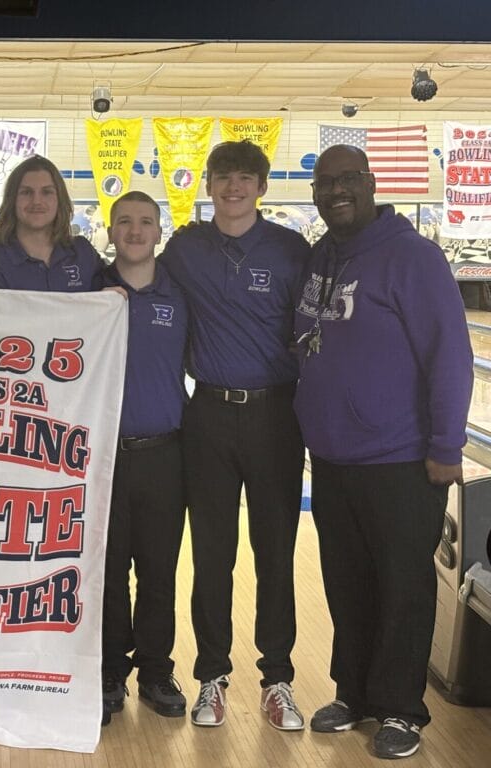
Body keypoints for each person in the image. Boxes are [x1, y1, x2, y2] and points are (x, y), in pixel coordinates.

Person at [294, 144, 473, 760]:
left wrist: (447, 446)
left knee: (401, 586)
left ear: (371, 184)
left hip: (400, 458)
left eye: (348, 181)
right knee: (347, 583)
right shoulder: (322, 256)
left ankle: (400, 708)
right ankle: (356, 693)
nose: (336, 191)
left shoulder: (412, 258)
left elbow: (449, 353)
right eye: (325, 183)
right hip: (336, 460)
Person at [157, 140, 309, 730]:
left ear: (262, 188)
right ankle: (212, 678)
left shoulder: (291, 250)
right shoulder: (186, 248)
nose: (233, 187)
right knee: (212, 555)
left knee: (274, 555)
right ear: (209, 184)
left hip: (277, 416)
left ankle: (277, 680)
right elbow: (142, 288)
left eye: (246, 178)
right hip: (209, 416)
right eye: (223, 177)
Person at [98, 192, 188, 726]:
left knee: (159, 570)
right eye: (125, 222)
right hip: (102, 460)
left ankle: (155, 670)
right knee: (108, 571)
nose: (135, 231)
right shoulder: (90, 293)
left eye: (145, 222)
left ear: (160, 232)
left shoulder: (178, 297)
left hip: (164, 455)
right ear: (110, 232)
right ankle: (109, 670)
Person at [0, 155, 102, 292]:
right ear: (12, 201)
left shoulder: (82, 252)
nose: (36, 201)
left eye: (47, 192)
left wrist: (114, 295)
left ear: (60, 199)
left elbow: (111, 293)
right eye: (26, 192)